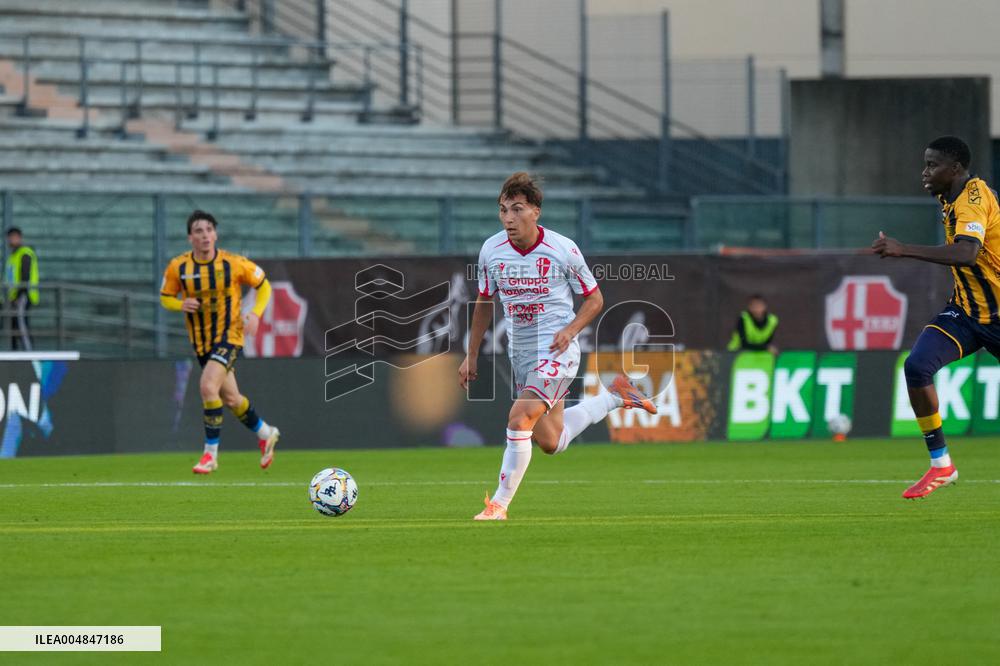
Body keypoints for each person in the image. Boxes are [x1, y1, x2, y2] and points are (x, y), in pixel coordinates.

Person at [459, 172, 658, 521]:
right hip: (520, 352)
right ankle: (614, 395)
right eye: (503, 210)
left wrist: (570, 330)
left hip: (556, 349)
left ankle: (498, 505)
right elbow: (484, 301)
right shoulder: (491, 250)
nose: (508, 218)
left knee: (519, 419)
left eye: (517, 209)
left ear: (535, 211)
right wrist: (471, 354)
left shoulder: (563, 249)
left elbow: (594, 299)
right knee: (551, 441)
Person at [872, 135, 999, 499]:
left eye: (932, 165)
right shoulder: (950, 199)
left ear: (955, 169)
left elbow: (966, 255)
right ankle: (942, 465)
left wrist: (903, 249)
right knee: (917, 366)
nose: (924, 172)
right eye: (925, 164)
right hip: (967, 312)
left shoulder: (973, 199)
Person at [160, 210, 280, 474]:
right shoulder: (178, 267)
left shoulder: (234, 263)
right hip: (201, 343)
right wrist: (181, 304)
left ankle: (210, 456)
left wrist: (256, 314)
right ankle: (266, 432)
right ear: (190, 237)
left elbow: (264, 285)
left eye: (209, 230)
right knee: (232, 399)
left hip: (229, 336)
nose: (205, 235)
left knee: (207, 387)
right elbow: (166, 297)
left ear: (216, 234)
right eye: (199, 231)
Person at [5, 227, 39, 351]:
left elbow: (25, 276)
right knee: (14, 327)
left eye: (14, 237)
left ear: (19, 238)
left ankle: (30, 354)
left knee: (22, 325)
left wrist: (19, 295)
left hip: (23, 296)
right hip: (14, 297)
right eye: (9, 237)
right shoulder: (12, 257)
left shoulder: (24, 253)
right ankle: (15, 353)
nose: (11, 239)